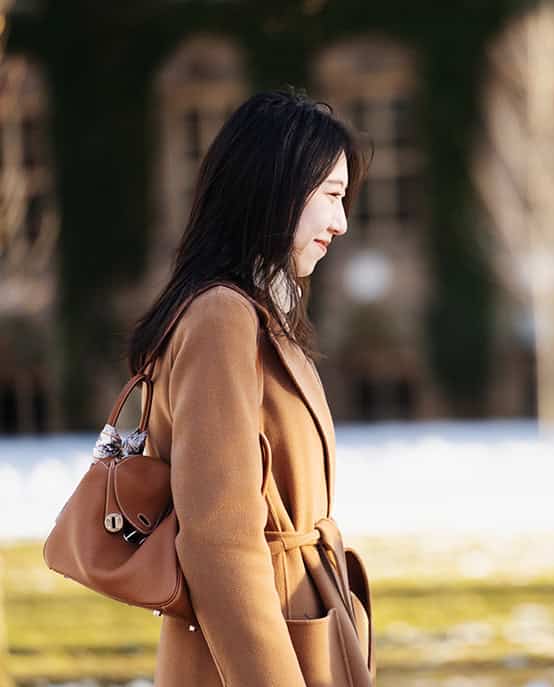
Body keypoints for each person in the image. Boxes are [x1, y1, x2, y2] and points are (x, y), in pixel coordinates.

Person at [127, 90, 372, 687]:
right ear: (279, 188)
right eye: (332, 197)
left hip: (296, 624)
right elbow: (218, 541)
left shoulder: (258, 313)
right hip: (257, 655)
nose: (341, 224)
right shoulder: (221, 318)